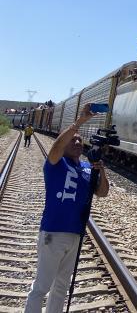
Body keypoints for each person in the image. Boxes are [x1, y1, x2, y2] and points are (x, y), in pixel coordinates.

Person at [25, 105, 109, 313]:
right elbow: (56, 146)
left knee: (61, 286)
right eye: (73, 139)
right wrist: (79, 123)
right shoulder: (55, 163)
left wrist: (103, 173)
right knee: (42, 286)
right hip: (53, 233)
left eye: (80, 140)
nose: (78, 142)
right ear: (64, 143)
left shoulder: (87, 168)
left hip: (75, 235)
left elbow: (102, 193)